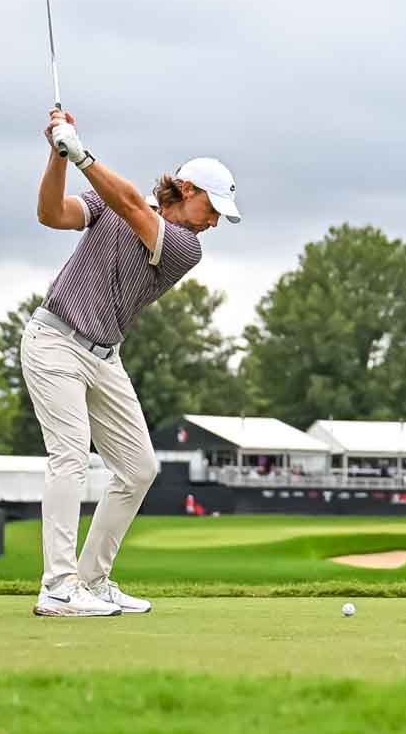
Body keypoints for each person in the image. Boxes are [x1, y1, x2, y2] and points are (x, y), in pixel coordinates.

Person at [24, 107, 241, 618]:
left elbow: (130, 207)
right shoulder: (110, 201)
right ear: (187, 189)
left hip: (104, 356)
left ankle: (93, 581)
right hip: (54, 341)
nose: (215, 222)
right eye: (213, 207)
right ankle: (58, 587)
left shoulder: (184, 248)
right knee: (70, 458)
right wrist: (58, 155)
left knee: (139, 468)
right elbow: (51, 214)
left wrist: (79, 151)